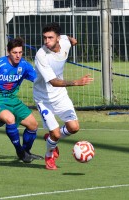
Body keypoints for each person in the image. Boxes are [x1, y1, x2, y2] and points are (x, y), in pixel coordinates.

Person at [33, 23, 94, 170]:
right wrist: (76, 82)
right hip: (44, 99)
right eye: (45, 38)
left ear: (58, 38)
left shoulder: (65, 42)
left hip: (60, 96)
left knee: (73, 128)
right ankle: (49, 155)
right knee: (55, 133)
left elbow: (70, 39)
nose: (47, 41)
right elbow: (53, 82)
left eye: (50, 37)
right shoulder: (41, 55)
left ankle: (51, 139)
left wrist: (73, 41)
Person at [0, 37, 43, 163]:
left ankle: (26, 152)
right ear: (8, 52)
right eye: (14, 52)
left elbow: (38, 80)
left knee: (33, 125)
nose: (18, 56)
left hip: (13, 100)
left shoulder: (24, 66)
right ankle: (20, 151)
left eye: (20, 52)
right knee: (10, 119)